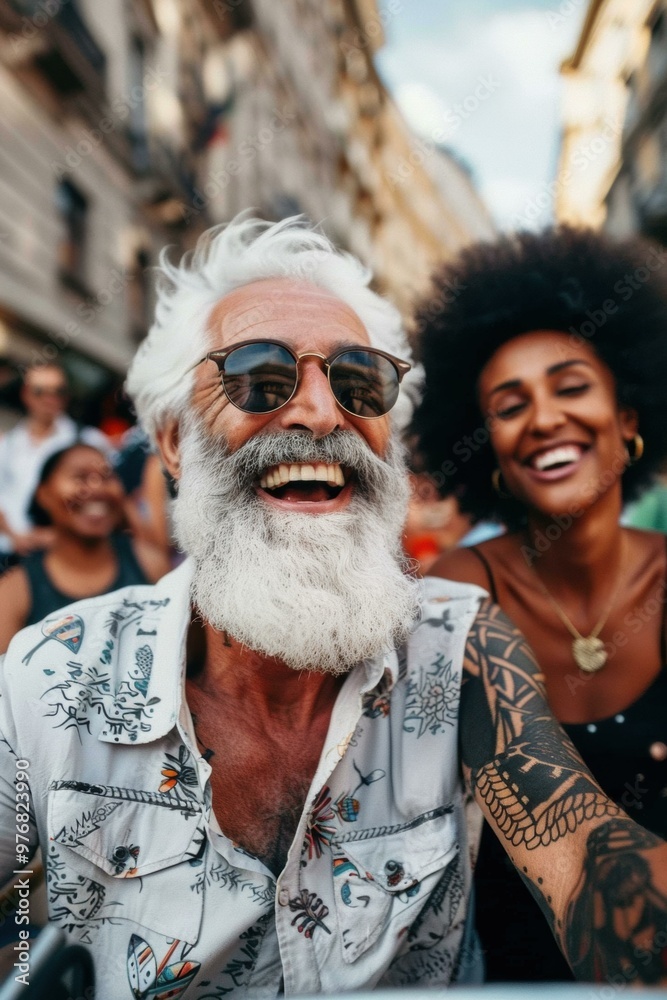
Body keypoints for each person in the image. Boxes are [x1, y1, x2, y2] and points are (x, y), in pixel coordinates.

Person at [0, 217, 665, 998]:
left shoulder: (460, 644)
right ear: (174, 438)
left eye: (358, 384)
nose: (321, 413)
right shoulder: (55, 672)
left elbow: (590, 864)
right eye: (258, 377)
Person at [412, 226, 667, 982]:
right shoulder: (462, 588)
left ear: (627, 419)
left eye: (571, 385)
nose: (544, 418)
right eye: (509, 404)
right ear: (486, 449)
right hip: (516, 975)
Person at [0, 443, 170, 652]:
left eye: (107, 477)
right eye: (80, 477)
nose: (97, 488)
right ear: (43, 494)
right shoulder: (15, 591)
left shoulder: (150, 564)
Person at [0, 363, 110, 565]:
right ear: (26, 394)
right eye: (40, 391)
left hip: (57, 554)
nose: (50, 398)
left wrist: (57, 534)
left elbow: (107, 497)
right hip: (7, 549)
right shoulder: (8, 443)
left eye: (59, 391)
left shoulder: (89, 441)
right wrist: (14, 535)